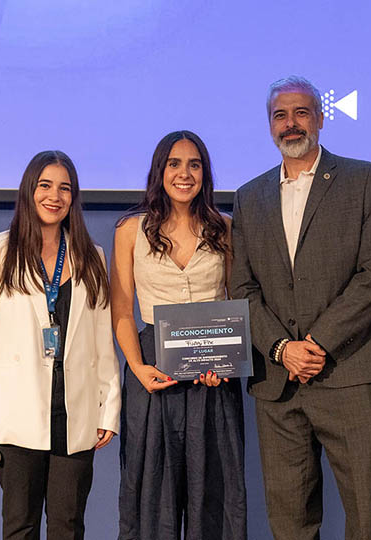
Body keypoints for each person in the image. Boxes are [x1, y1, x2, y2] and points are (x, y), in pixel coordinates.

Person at [230, 76, 371, 540]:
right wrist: (282, 349)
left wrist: (317, 343)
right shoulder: (249, 197)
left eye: (301, 112)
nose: (291, 123)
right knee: (290, 521)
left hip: (346, 371)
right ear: (270, 125)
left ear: (321, 119)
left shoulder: (363, 180)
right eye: (280, 115)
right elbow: (241, 287)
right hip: (277, 382)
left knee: (365, 515)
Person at [0, 150, 121, 540]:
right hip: (16, 411)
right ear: (29, 190)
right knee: (20, 527)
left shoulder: (91, 256)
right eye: (45, 185)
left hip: (74, 412)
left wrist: (109, 408)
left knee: (68, 527)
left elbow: (103, 341)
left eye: (65, 188)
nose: (54, 196)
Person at [112, 130, 247, 540]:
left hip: (214, 376)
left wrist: (226, 364)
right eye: (174, 164)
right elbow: (121, 310)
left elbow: (238, 299)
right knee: (152, 491)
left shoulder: (225, 228)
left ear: (205, 173)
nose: (184, 174)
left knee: (215, 491)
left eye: (194, 164)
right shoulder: (131, 230)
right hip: (154, 370)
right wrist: (138, 367)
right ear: (160, 170)